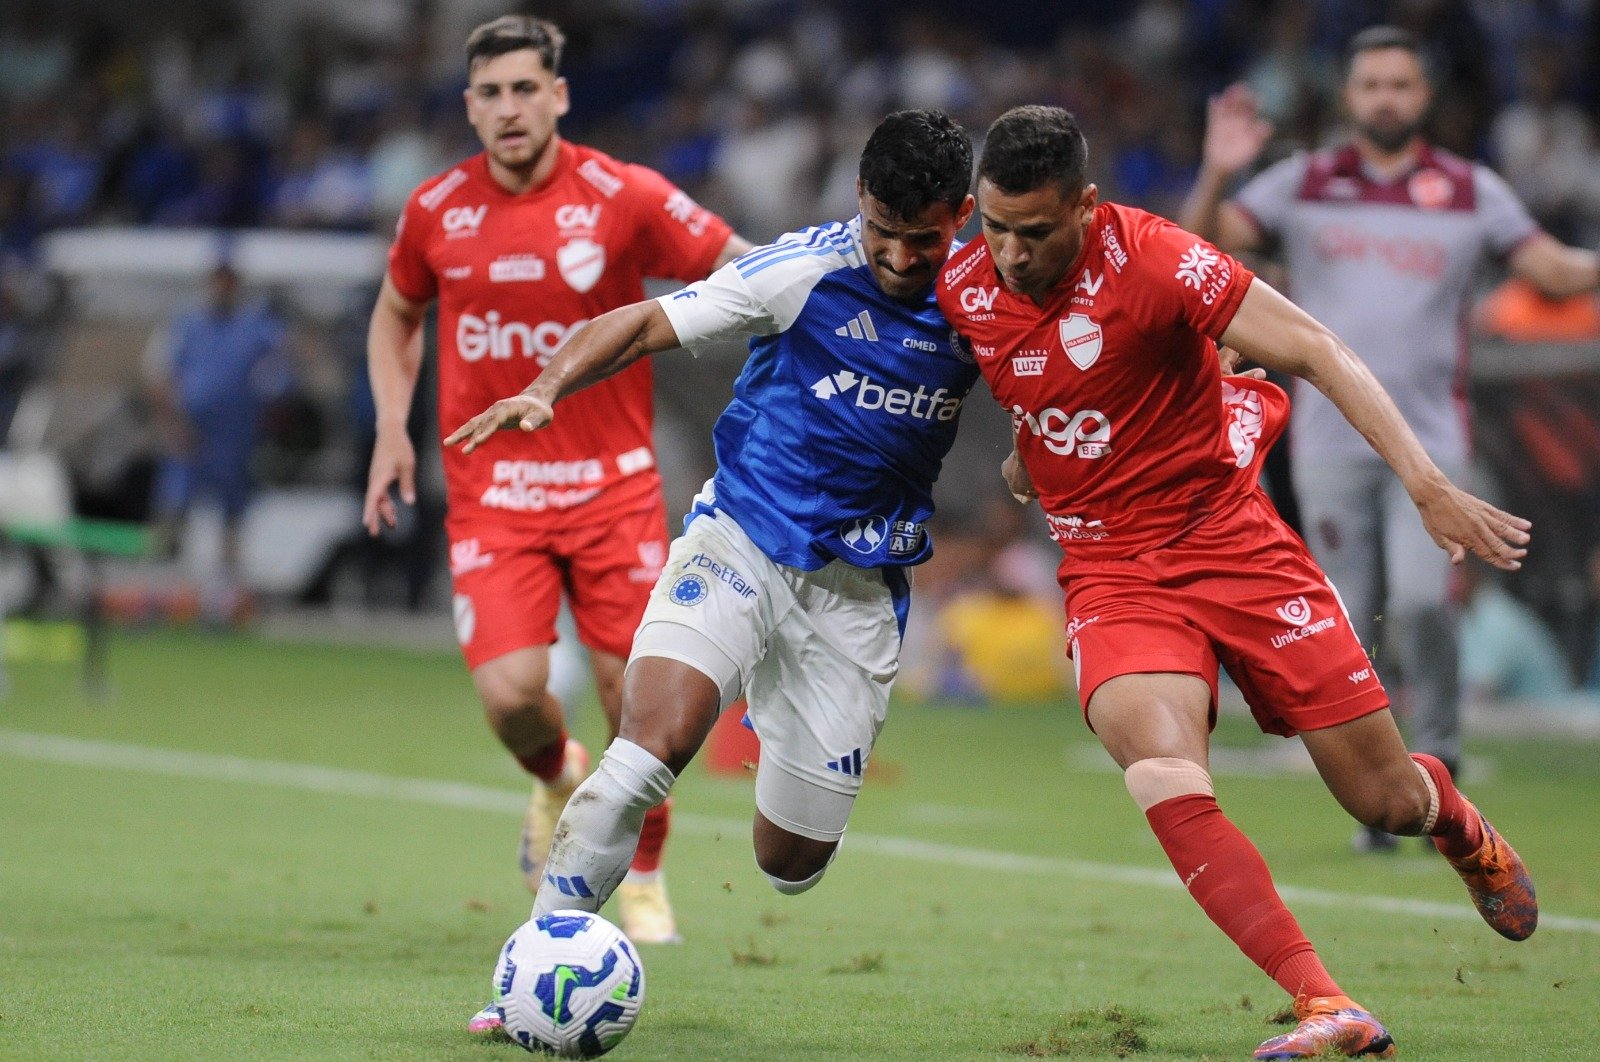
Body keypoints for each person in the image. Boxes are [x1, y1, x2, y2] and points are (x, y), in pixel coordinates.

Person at [939, 104, 1536, 1060]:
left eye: (1036, 232)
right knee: (1161, 768)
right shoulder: (964, 282)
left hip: (1232, 545)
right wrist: (1033, 457)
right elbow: (1038, 389)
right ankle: (1326, 1003)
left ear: (1086, 208)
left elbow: (1319, 351)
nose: (1010, 254)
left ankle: (1457, 824)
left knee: (1383, 802)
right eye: (995, 227)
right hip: (1109, 568)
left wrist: (1426, 485)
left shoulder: (1160, 260)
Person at [446, 109, 981, 1035]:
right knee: (643, 753)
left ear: (962, 215)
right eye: (883, 232)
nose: (899, 257)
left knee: (791, 862)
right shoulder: (801, 271)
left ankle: (788, 733)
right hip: (739, 544)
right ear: (859, 200)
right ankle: (531, 977)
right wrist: (543, 386)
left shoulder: (987, 299)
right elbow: (642, 320)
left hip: (854, 599)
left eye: (922, 239)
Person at [362, 14, 750, 946]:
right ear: (468, 106)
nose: (508, 108)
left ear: (559, 95)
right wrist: (390, 427)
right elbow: (395, 315)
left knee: (637, 701)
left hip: (610, 490)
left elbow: (739, 267)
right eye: (490, 94)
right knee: (511, 697)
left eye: (525, 89)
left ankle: (646, 875)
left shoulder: (624, 195)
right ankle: (553, 773)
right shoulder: (434, 211)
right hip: (493, 492)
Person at [1179, 26, 1600, 852]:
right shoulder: (1303, 182)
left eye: (1400, 86)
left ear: (1424, 97)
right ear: (1350, 95)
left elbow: (1548, 270)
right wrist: (1220, 165)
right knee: (1347, 615)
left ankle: (1439, 758)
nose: (1385, 99)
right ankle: (1385, 792)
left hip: (1435, 439)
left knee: (1420, 604)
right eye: (1371, 85)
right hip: (1329, 442)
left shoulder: (1469, 188)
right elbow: (1200, 245)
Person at [145, 260, 291, 621]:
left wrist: (265, 420)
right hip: (190, 436)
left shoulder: (256, 328)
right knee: (173, 512)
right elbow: (161, 376)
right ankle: (157, 593)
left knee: (231, 518)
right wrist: (172, 425)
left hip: (234, 438)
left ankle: (222, 600)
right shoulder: (187, 325)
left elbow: (281, 377)